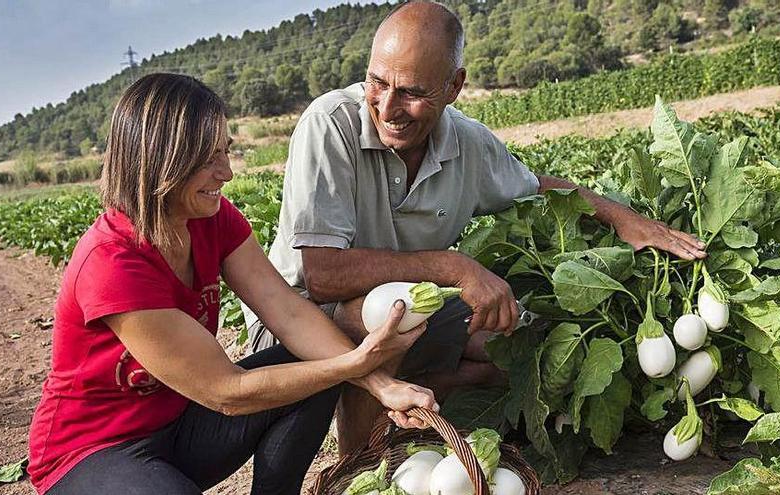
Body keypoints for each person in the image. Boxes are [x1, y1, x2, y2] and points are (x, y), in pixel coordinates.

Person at [242, 0, 708, 454]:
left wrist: (627, 221)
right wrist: (455, 268)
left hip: (405, 311)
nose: (388, 107)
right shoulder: (331, 125)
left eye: (412, 92)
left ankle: (420, 395)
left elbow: (541, 188)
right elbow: (323, 276)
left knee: (518, 342)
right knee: (393, 313)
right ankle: (357, 464)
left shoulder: (468, 143)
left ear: (453, 86)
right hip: (296, 320)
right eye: (378, 82)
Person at [26, 73, 438, 495]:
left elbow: (290, 313)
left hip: (180, 428)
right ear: (160, 163)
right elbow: (227, 392)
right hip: (92, 452)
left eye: (225, 151)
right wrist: (356, 363)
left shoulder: (212, 219)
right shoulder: (112, 263)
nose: (225, 172)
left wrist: (381, 385)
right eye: (208, 159)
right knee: (324, 369)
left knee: (311, 370)